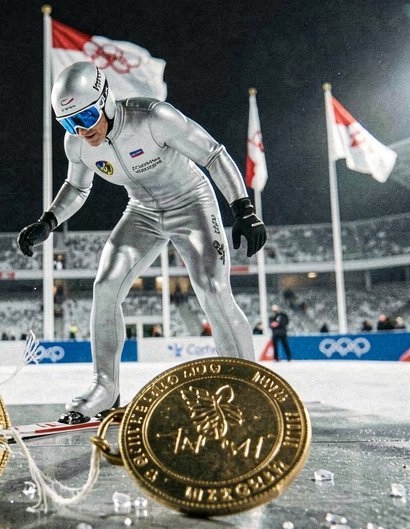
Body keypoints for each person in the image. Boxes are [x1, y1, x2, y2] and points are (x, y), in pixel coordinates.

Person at [18, 62, 267, 424]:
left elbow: (212, 154)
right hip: (143, 211)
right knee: (105, 286)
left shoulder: (153, 117)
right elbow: (77, 187)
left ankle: (247, 384)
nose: (82, 130)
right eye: (70, 123)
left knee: (211, 287)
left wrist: (243, 208)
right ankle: (105, 387)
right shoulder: (78, 144)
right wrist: (48, 221)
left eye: (86, 116)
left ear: (105, 100)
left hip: (191, 202)